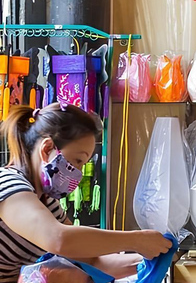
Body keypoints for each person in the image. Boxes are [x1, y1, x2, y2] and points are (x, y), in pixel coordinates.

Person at [0, 102, 172, 283]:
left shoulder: (47, 202)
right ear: (47, 148)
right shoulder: (7, 184)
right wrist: (137, 240)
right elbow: (59, 239)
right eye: (77, 160)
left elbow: (91, 260)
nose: (78, 173)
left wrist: (149, 259)